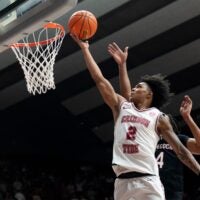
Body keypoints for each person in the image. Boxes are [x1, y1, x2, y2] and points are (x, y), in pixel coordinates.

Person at [71, 36, 200, 200]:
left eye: (139, 87)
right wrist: (85, 50)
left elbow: (181, 152)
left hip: (148, 181)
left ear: (149, 94)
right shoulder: (121, 107)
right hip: (122, 184)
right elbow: (100, 80)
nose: (134, 88)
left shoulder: (158, 117)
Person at [107, 42, 200, 200]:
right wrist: (122, 66)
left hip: (165, 190)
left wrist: (188, 118)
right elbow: (128, 104)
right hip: (141, 182)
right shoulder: (141, 134)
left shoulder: (176, 140)